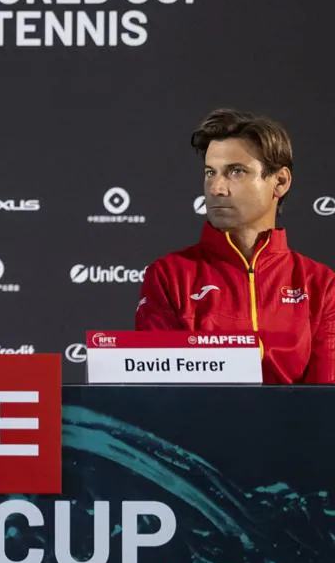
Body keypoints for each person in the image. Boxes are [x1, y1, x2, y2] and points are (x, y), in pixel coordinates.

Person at [135, 108, 335, 383]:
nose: (216, 188)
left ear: (280, 181)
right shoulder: (168, 275)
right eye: (210, 173)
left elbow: (326, 401)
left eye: (235, 172)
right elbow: (161, 393)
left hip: (295, 426)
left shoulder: (321, 284)